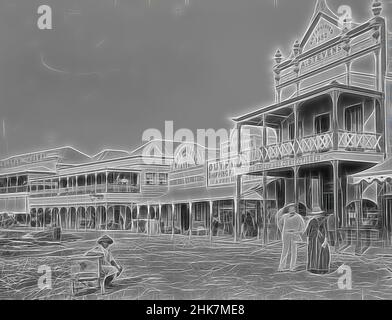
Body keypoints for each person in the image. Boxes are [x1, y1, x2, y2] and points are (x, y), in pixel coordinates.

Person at [277, 204, 306, 272]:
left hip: (294, 234)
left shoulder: (299, 217)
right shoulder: (284, 216)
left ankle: (292, 267)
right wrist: (282, 231)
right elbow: (279, 224)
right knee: (285, 250)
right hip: (286, 234)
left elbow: (303, 226)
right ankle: (281, 267)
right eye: (290, 208)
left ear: (295, 209)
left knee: (294, 250)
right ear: (288, 209)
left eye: (292, 208)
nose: (291, 209)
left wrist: (298, 232)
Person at [305, 206, 331, 275]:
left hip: (321, 239)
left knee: (321, 253)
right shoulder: (311, 221)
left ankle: (321, 269)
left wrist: (325, 240)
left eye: (318, 214)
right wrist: (308, 240)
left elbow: (326, 231)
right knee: (313, 253)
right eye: (315, 214)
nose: (317, 215)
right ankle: (313, 268)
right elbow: (308, 231)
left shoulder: (324, 220)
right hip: (312, 240)